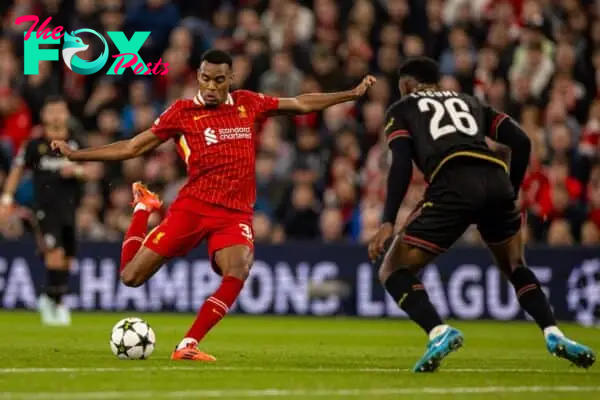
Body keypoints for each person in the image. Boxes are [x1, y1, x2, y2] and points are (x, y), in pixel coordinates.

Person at [52, 49, 375, 361]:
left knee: (239, 268)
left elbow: (301, 103)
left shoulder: (249, 103)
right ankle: (143, 208)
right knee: (130, 277)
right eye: (205, 78)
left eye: (218, 80)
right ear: (198, 76)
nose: (210, 86)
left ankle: (188, 344)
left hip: (234, 214)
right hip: (193, 208)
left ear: (229, 78)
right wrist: (78, 154)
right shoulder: (181, 112)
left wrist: (350, 94)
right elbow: (133, 146)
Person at [368, 57, 596, 372]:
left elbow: (402, 165)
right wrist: (512, 191)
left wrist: (387, 221)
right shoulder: (470, 102)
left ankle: (438, 331)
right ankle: (553, 332)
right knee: (516, 267)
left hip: (453, 182)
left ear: (406, 85)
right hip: (496, 179)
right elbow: (521, 140)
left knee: (392, 270)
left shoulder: (402, 109)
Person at [0, 96, 95, 326]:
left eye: (59, 111)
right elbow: (17, 170)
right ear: (43, 116)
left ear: (66, 114)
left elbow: (92, 169)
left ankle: (51, 297)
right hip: (44, 208)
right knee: (54, 253)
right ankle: (57, 304)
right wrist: (7, 198)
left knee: (67, 258)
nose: (55, 116)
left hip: (71, 208)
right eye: (51, 111)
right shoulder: (35, 145)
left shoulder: (76, 142)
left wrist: (79, 172)